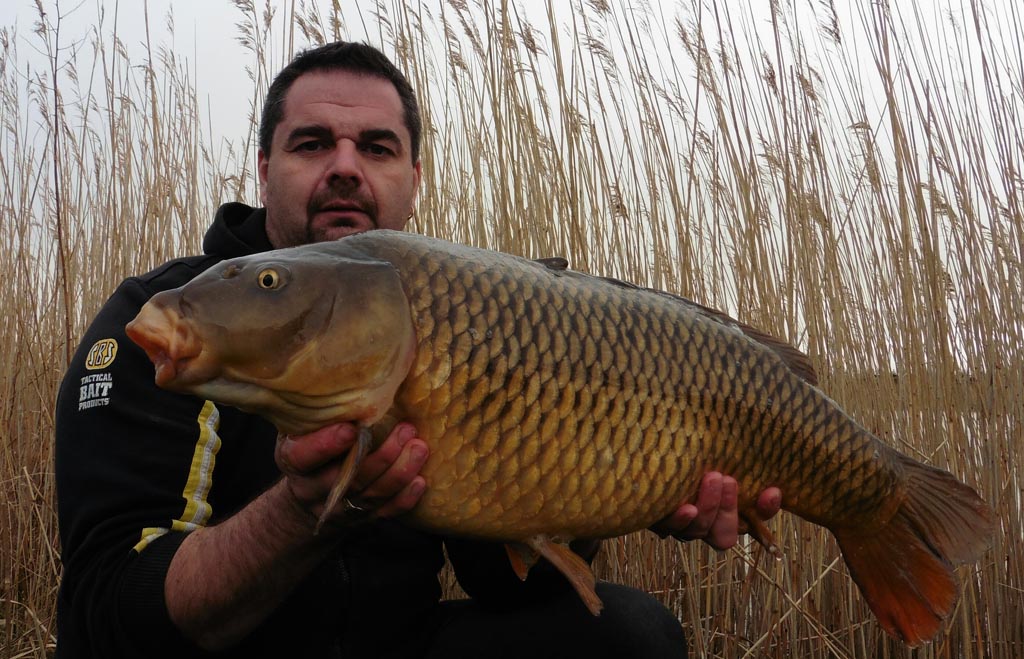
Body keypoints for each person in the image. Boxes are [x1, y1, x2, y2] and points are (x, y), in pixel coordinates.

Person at [54, 41, 781, 658]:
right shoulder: (174, 319)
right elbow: (107, 613)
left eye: (377, 148)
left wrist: (627, 489)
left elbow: (505, 584)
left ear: (413, 181)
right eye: (312, 144)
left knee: (631, 634)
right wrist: (304, 511)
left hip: (398, 641)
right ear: (264, 167)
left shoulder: (467, 311)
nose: (345, 166)